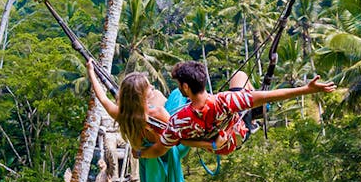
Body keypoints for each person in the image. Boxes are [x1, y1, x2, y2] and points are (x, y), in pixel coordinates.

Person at [136, 61, 335, 159]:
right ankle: (253, 114)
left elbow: (160, 149)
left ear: (185, 87)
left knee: (242, 87)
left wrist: (140, 154)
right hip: (238, 132)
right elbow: (271, 95)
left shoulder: (178, 121)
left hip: (220, 144)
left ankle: (251, 114)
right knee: (240, 76)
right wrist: (306, 90)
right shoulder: (225, 101)